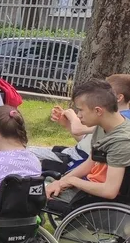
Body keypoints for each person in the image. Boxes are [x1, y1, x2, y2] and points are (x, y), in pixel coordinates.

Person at [46, 79, 130, 215]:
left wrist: (73, 181)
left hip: (102, 201)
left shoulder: (121, 141)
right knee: (43, 185)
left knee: (35, 194)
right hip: (91, 186)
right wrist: (61, 181)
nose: (78, 115)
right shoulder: (105, 125)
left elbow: (110, 191)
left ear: (98, 111)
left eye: (80, 110)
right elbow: (90, 161)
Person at [30, 73, 130, 178]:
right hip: (75, 155)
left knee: (25, 154)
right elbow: (85, 142)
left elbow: (78, 129)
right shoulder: (106, 120)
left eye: (107, 91)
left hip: (77, 160)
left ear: (119, 97)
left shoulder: (113, 120)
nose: (100, 94)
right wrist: (67, 124)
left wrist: (71, 115)